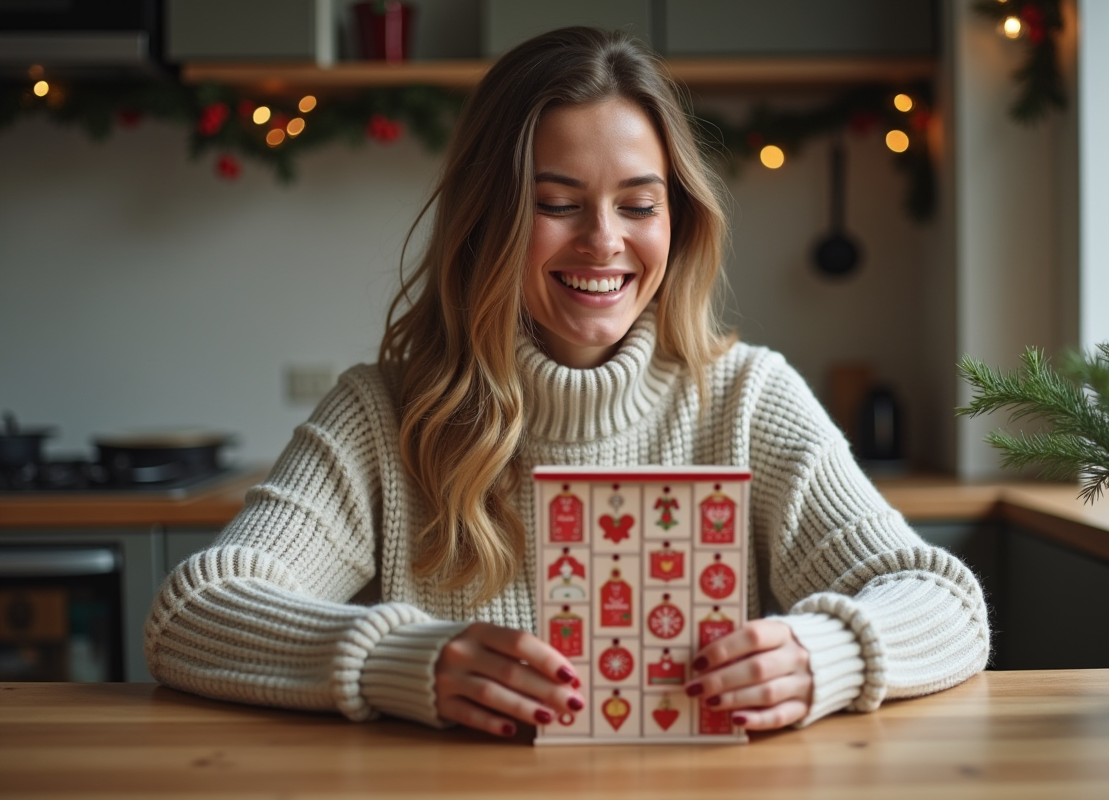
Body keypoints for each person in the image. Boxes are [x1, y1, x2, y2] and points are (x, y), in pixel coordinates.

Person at [144, 27, 989, 737]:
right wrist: (406, 661)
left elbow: (948, 605)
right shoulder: (383, 415)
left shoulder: (747, 398)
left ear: (677, 218)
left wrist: (823, 657)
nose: (603, 241)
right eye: (556, 203)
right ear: (488, 218)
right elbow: (193, 616)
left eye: (638, 203)